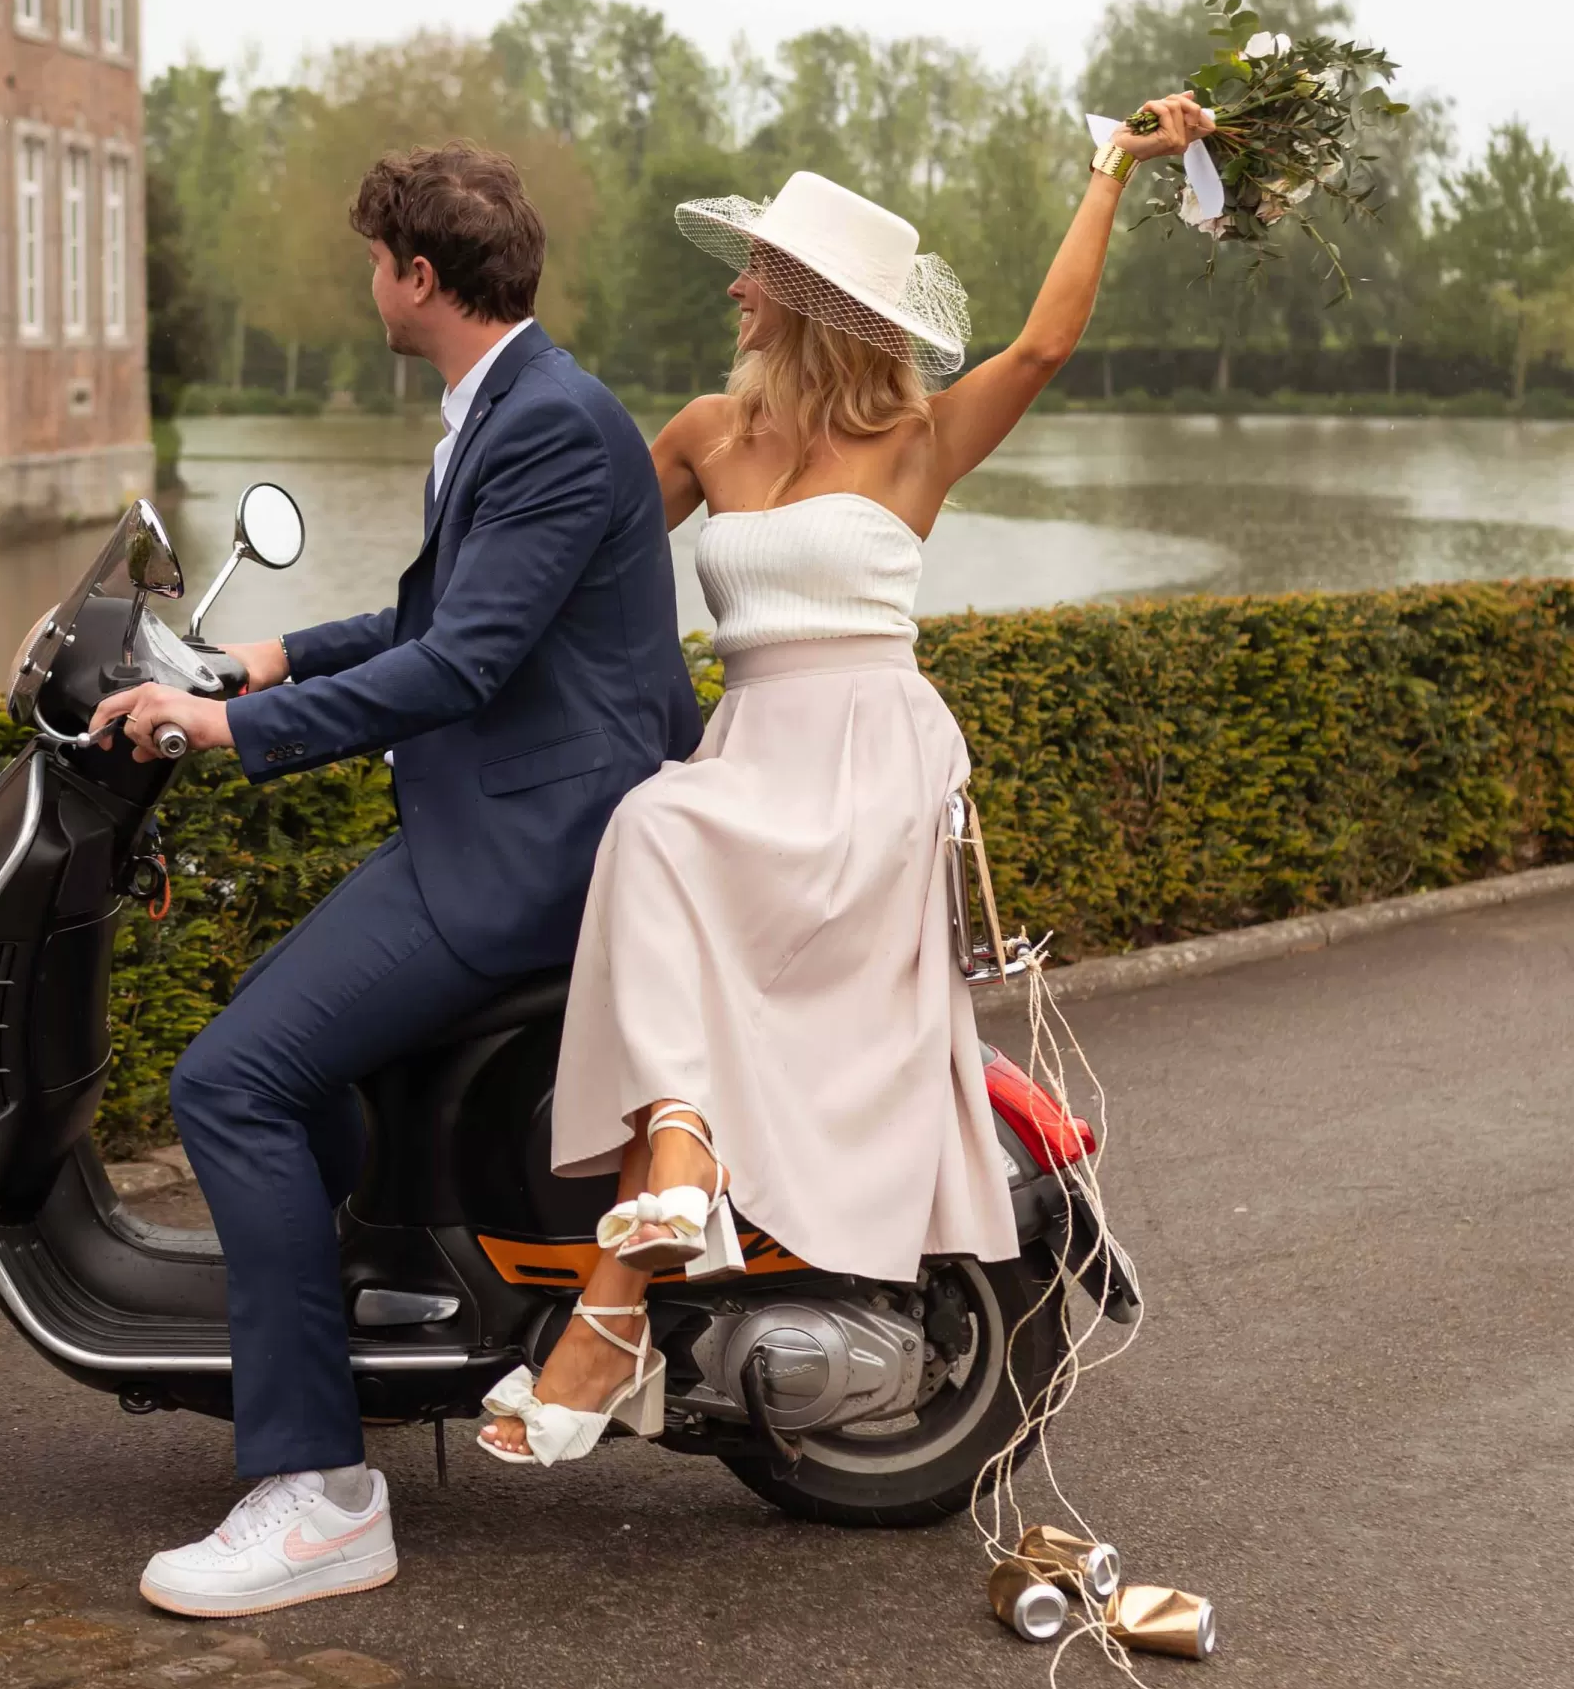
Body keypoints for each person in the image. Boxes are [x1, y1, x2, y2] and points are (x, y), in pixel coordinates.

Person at [476, 96, 1211, 1465]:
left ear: (814, 301)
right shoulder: (704, 431)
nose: (737, 290)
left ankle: (624, 1293)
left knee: (654, 825)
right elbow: (572, 561)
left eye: (759, 270)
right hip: (752, 746)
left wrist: (1113, 167)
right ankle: (653, 1224)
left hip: (872, 756)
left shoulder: (919, 440)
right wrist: (451, 643)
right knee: (655, 823)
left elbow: (1045, 344)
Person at [88, 140, 699, 1609]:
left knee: (230, 1081)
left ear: (419, 278)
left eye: (375, 262)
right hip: (506, 821)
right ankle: (348, 1310)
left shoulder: (546, 424)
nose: (369, 284)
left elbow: (463, 663)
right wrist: (266, 654)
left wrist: (223, 727)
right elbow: (439, 618)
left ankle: (319, 1491)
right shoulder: (510, 405)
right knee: (285, 1052)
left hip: (532, 848)